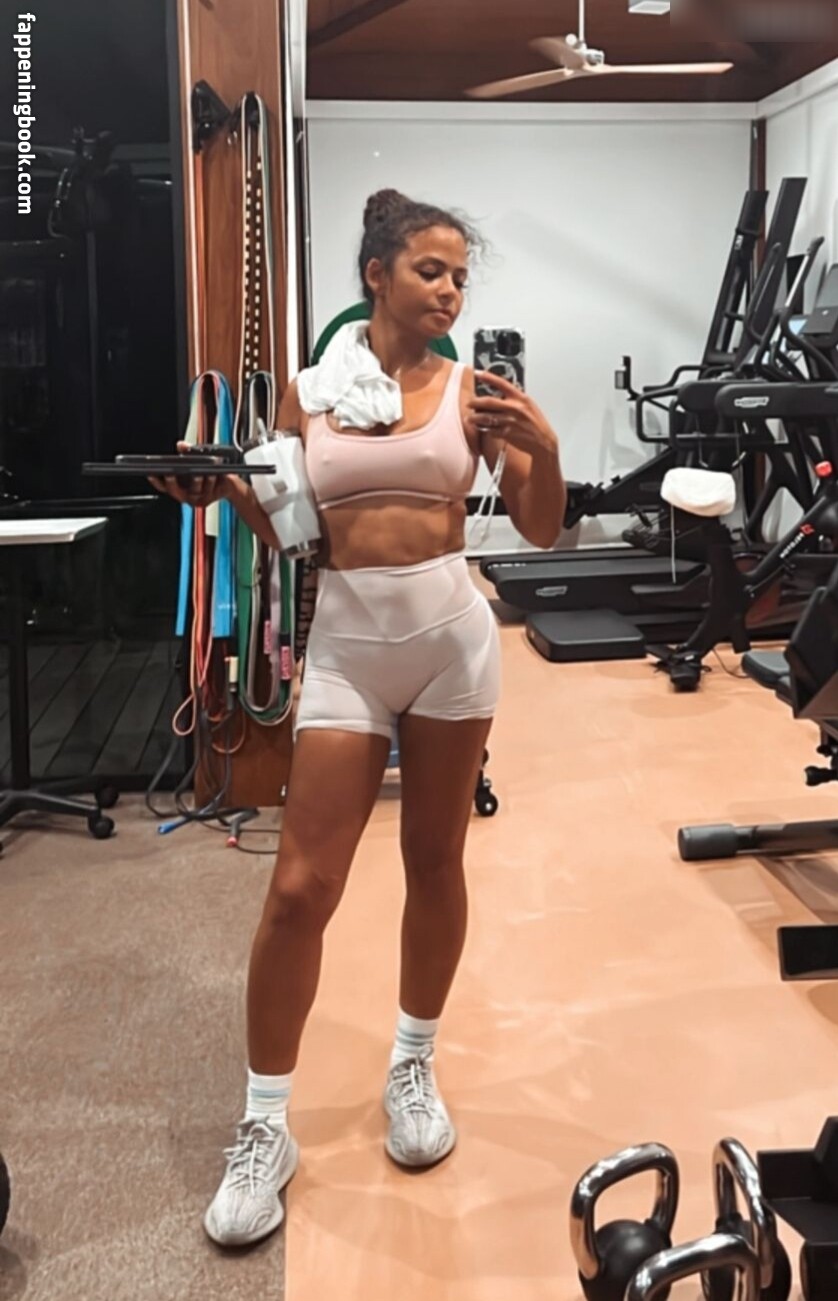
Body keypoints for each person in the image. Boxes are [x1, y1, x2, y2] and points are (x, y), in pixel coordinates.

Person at [151, 189, 566, 1247]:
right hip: (346, 645)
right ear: (376, 274)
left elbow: (540, 526)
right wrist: (215, 490)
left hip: (450, 644)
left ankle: (412, 1062)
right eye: (431, 270)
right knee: (300, 887)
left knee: (435, 858)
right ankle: (264, 1124)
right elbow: (289, 525)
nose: (451, 291)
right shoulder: (310, 392)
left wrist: (545, 443)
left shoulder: (475, 394)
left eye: (461, 276)